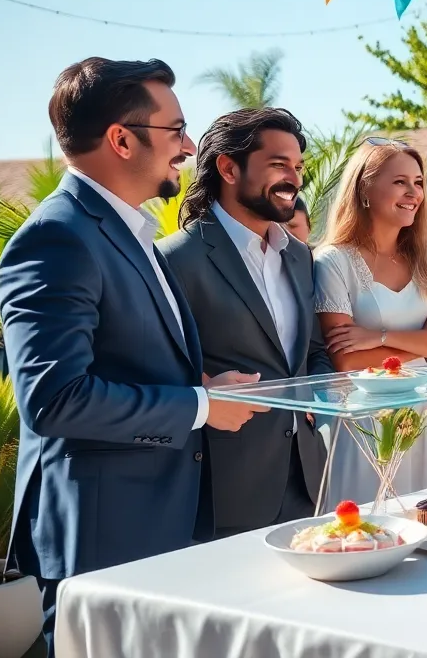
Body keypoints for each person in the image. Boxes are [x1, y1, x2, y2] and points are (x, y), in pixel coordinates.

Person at [0, 58, 263, 654]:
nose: (190, 147)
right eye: (177, 130)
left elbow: (125, 358)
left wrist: (203, 384)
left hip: (156, 522)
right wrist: (200, 406)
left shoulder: (128, 233)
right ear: (121, 139)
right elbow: (55, 400)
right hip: (102, 533)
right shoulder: (56, 238)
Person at [159, 108, 331, 539]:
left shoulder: (298, 256)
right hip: (219, 492)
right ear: (228, 168)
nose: (294, 178)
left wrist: (317, 400)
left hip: (305, 480)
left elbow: (312, 352)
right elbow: (154, 365)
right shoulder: (174, 259)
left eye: (298, 166)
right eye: (279, 165)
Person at [313, 138, 427, 504]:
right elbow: (346, 361)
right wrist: (425, 341)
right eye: (400, 182)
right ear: (365, 187)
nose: (413, 193)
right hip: (369, 422)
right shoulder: (333, 262)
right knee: (369, 529)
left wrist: (378, 336)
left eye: (418, 183)